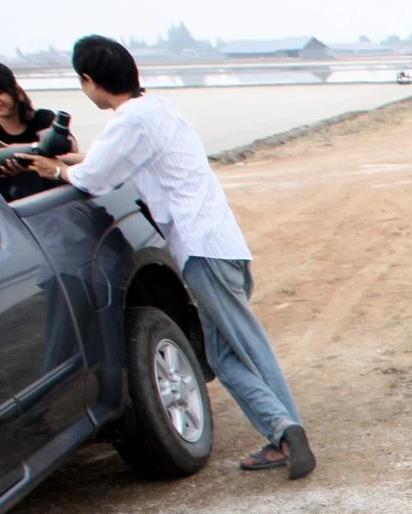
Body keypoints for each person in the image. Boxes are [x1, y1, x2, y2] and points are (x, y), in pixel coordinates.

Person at [26, 35, 314, 479]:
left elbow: (93, 179)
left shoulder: (128, 121)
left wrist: (57, 169)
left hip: (201, 251)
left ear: (89, 80)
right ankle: (281, 432)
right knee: (222, 356)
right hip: (223, 245)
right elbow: (124, 161)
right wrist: (77, 159)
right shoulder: (158, 110)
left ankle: (289, 430)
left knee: (245, 345)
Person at [0, 59, 71, 202]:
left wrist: (15, 155)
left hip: (45, 203)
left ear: (18, 92)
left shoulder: (42, 120)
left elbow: (73, 156)